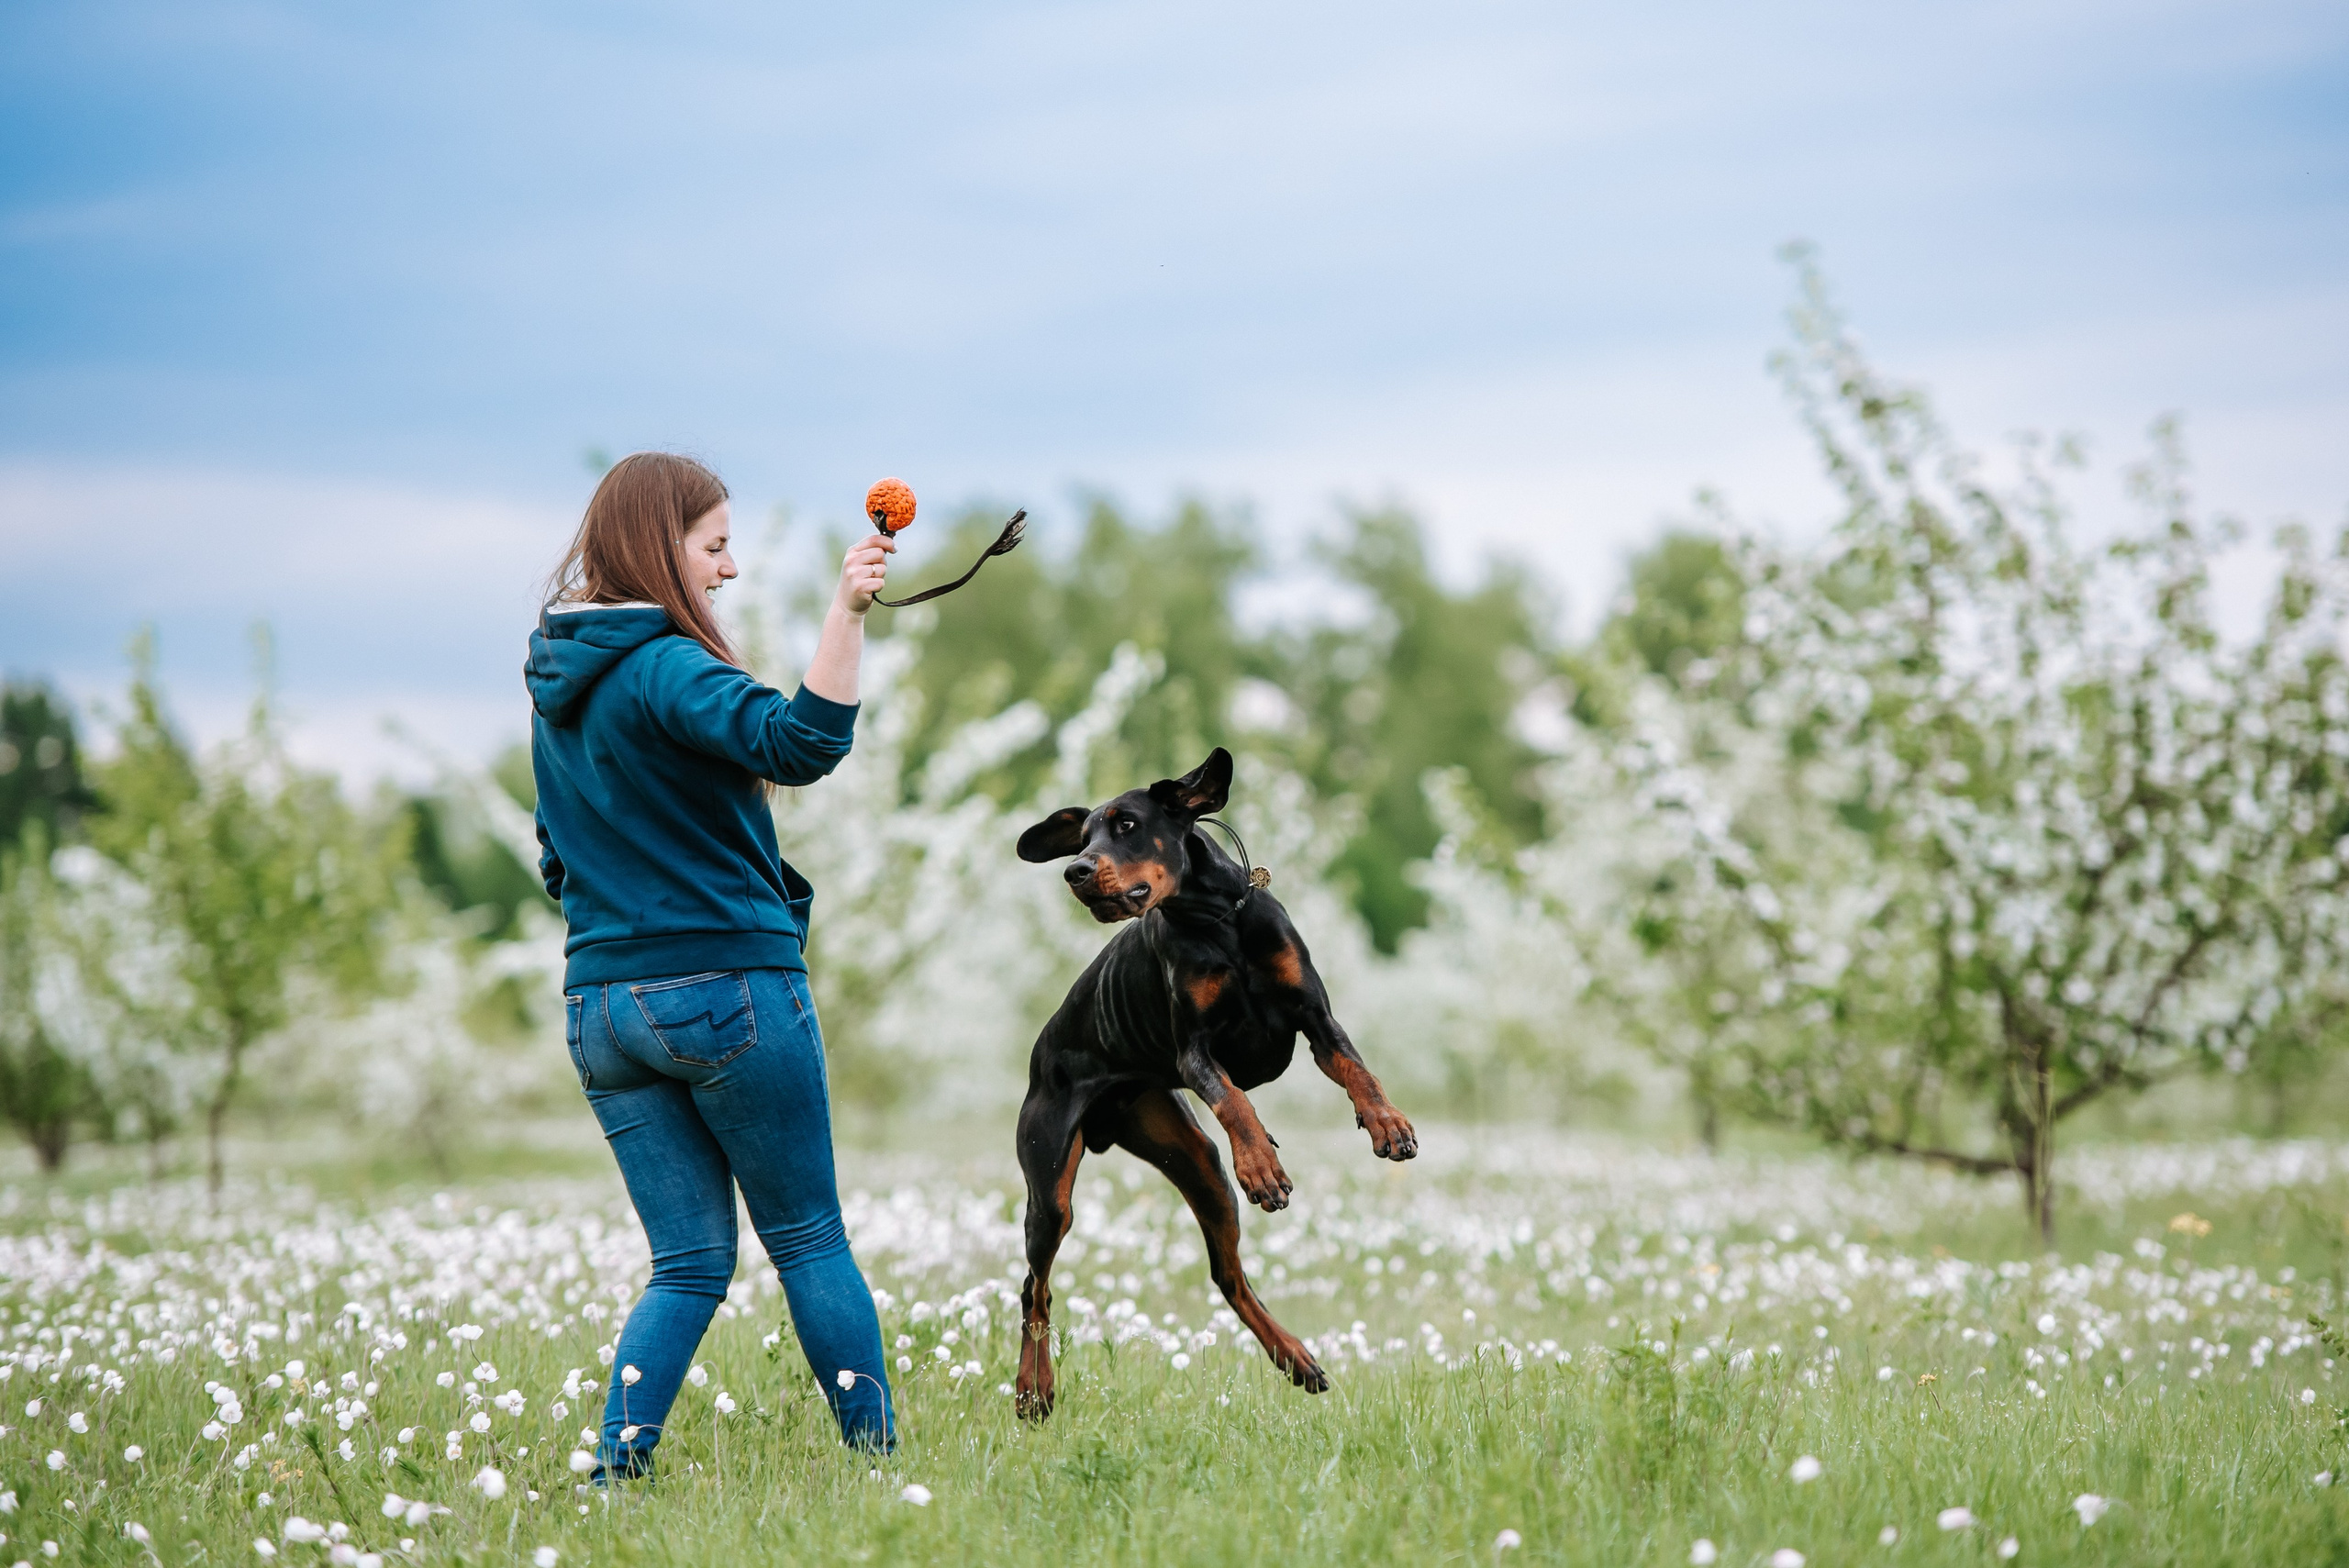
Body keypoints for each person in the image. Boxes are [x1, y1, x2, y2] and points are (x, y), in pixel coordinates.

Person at [524, 451, 897, 1478]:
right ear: (660, 547)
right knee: (810, 1238)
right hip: (725, 988)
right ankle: (879, 1468)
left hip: (602, 1008)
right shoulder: (667, 664)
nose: (727, 570)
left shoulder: (559, 685)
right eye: (715, 546)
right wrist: (848, 613)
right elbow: (800, 742)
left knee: (686, 1263)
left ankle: (614, 1471)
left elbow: (557, 857)